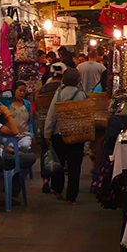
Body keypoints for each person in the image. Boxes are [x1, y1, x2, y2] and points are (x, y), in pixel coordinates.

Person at [44, 67, 87, 203]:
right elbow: (86, 117)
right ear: (78, 79)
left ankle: (57, 189)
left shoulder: (59, 94)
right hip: (76, 135)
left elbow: (51, 115)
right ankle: (71, 197)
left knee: (59, 163)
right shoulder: (81, 95)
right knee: (75, 166)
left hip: (59, 134)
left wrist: (47, 134)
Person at [4, 81, 34, 152]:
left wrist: (32, 134)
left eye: (24, 91)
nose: (22, 93)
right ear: (14, 91)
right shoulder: (7, 103)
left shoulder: (27, 104)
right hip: (9, 135)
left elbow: (29, 121)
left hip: (24, 135)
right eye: (20, 91)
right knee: (10, 146)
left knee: (25, 146)